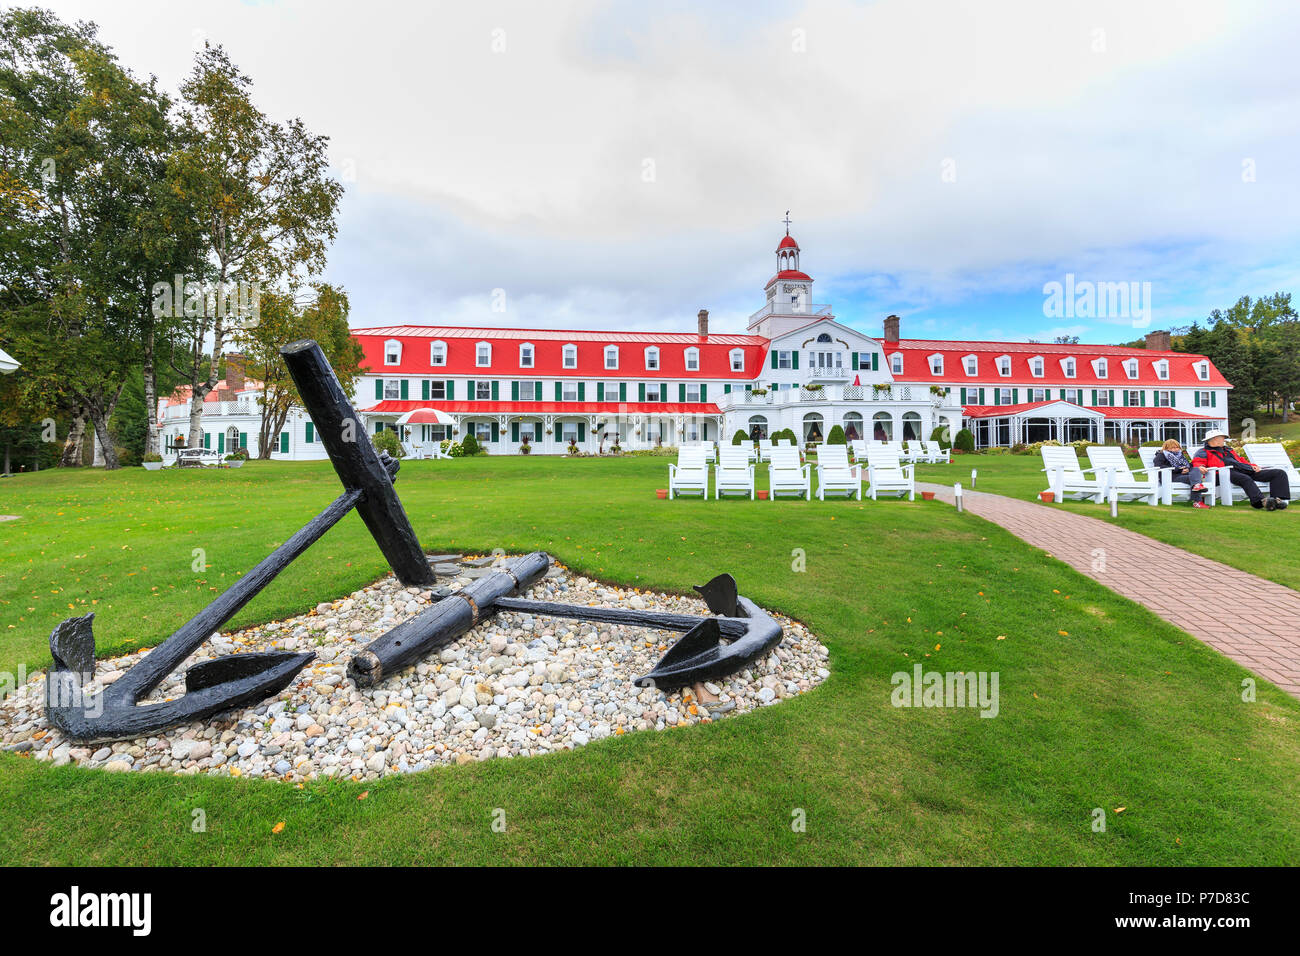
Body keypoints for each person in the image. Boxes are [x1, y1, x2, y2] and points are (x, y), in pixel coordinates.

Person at [1191, 431, 1290, 510]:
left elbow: (1240, 460)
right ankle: (1261, 502)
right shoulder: (1203, 452)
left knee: (1279, 473)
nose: (1224, 440)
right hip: (1222, 473)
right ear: (1214, 440)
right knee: (1245, 478)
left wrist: (1252, 465)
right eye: (1222, 438)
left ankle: (1278, 500)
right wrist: (1200, 467)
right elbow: (1197, 462)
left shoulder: (1228, 450)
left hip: (1242, 470)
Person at [1152, 439, 1208, 508]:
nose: (1176, 449)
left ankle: (1197, 490)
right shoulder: (1161, 455)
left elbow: (1188, 465)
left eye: (1177, 447)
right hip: (1170, 477)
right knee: (1196, 479)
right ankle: (1198, 501)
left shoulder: (1180, 455)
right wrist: (1178, 470)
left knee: (1196, 470)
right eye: (1173, 448)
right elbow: (1159, 466)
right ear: (1166, 448)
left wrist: (1187, 469)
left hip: (1183, 475)